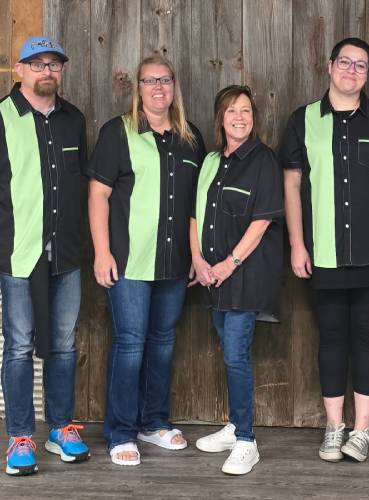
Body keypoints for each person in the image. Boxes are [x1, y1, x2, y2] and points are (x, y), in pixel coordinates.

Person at [279, 38, 369, 463]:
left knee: (367, 337)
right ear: (329, 65)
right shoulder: (303, 120)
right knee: (332, 338)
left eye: (361, 65)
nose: (352, 70)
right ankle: (334, 428)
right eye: (345, 62)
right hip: (323, 253)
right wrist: (297, 244)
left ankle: (362, 430)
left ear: (368, 73)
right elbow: (292, 185)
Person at [0, 36, 90, 476]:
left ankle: (60, 429)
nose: (46, 71)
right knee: (19, 346)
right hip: (19, 256)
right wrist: (5, 233)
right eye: (37, 64)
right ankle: (19, 436)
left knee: (64, 344)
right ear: (19, 69)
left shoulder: (74, 119)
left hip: (67, 253)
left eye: (54, 64)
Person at [87, 55, 206, 466]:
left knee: (163, 344)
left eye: (165, 80)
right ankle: (121, 431)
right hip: (129, 261)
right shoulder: (117, 132)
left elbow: (196, 204)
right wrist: (102, 252)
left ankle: (153, 423)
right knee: (130, 345)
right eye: (149, 81)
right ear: (137, 88)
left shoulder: (191, 137)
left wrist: (196, 254)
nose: (158, 88)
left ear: (174, 86)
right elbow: (98, 194)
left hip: (173, 262)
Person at [190, 85, 284, 475]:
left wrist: (229, 263)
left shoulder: (264, 161)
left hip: (245, 275)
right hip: (212, 277)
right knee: (229, 353)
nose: (239, 117)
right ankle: (233, 426)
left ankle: (246, 440)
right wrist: (197, 260)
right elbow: (194, 214)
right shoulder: (211, 161)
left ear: (254, 117)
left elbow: (261, 222)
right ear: (221, 118)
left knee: (235, 356)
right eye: (231, 110)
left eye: (246, 110)